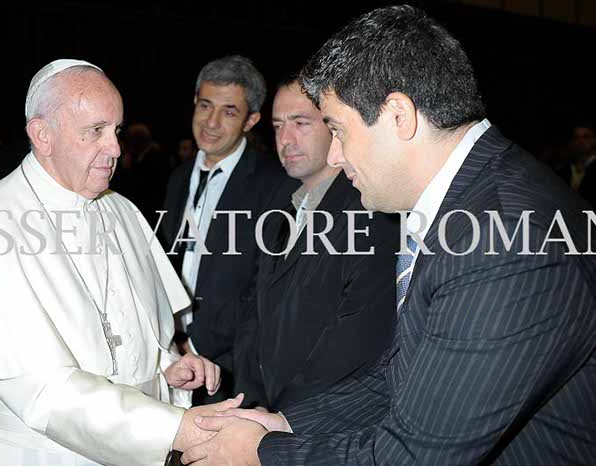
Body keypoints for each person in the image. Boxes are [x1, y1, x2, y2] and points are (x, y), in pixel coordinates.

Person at [181, 6, 596, 465]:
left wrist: (263, 454)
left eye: (337, 130)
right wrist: (287, 423)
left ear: (398, 115)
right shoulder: (465, 201)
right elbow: (402, 375)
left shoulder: (505, 240)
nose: (334, 156)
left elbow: (414, 457)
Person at [0, 59, 242, 466]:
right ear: (42, 135)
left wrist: (164, 372)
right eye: (95, 131)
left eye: (116, 130)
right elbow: (42, 391)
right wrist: (177, 427)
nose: (116, 148)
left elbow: (136, 333)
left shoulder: (122, 211)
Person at [232, 77, 397, 413]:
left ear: (334, 126)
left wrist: (284, 419)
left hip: (320, 424)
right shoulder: (280, 203)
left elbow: (355, 342)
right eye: (278, 126)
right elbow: (255, 313)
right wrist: (249, 404)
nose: (285, 139)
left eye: (301, 123)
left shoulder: (371, 210)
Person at [162, 55, 296, 402]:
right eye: (205, 105)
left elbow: (262, 287)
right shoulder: (177, 178)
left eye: (229, 111)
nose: (211, 122)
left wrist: (197, 342)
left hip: (228, 370)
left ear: (251, 120)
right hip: (167, 356)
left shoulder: (274, 185)